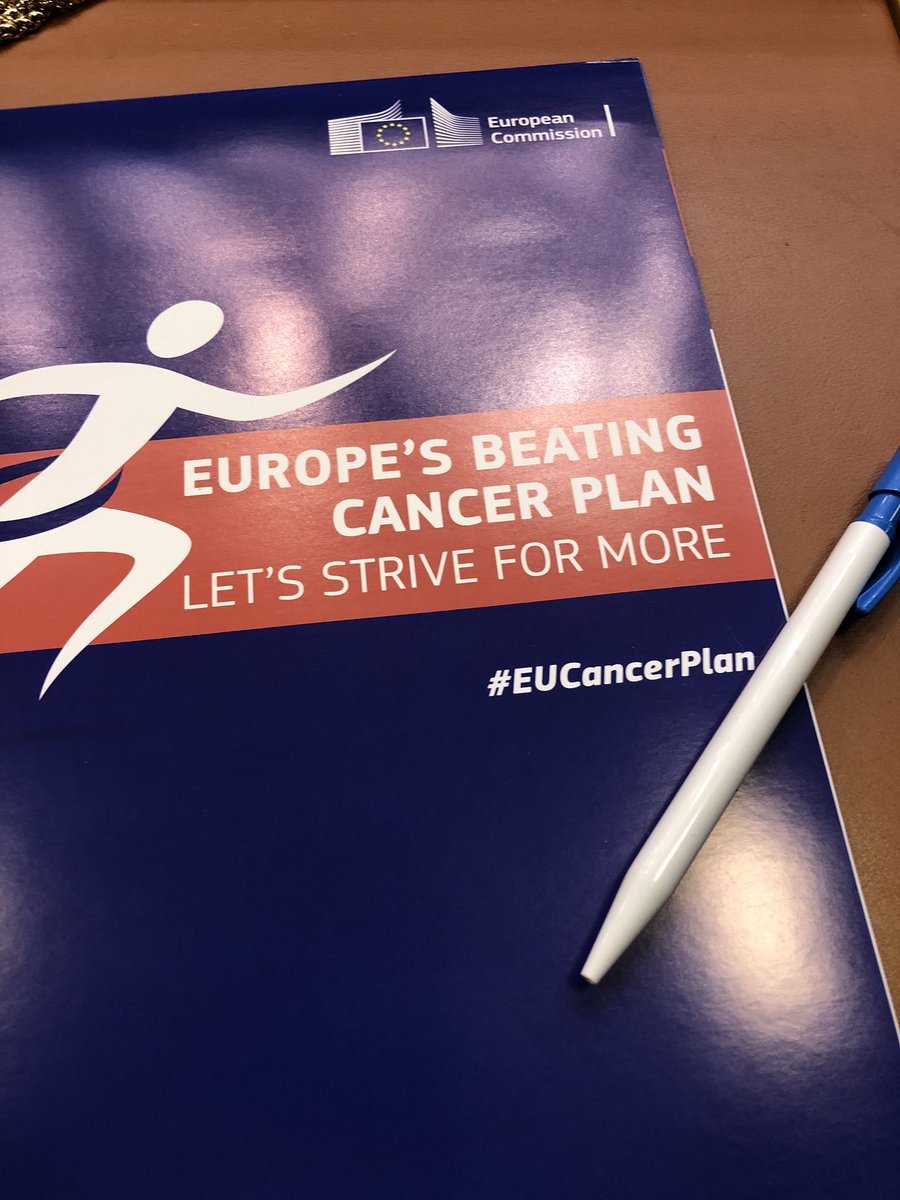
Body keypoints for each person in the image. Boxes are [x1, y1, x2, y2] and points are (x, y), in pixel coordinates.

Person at [0, 300, 392, 695]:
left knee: (166, 546)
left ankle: (66, 658)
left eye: (198, 331)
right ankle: (60, 662)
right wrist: (363, 367)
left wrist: (357, 371)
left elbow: (257, 409)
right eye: (184, 328)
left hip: (84, 508)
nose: (187, 338)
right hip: (42, 505)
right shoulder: (129, 374)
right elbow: (19, 384)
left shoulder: (170, 384)